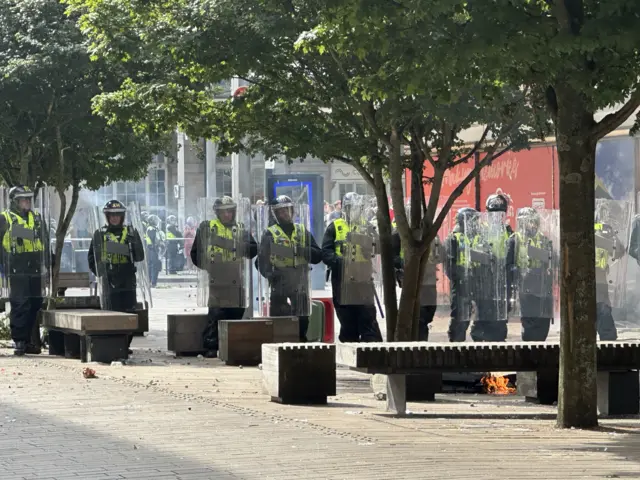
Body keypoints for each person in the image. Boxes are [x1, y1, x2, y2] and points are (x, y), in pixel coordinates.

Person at [190, 196, 257, 358]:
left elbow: (253, 249)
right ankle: (211, 346)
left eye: (230, 211)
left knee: (236, 312)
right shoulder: (208, 227)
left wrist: (238, 246)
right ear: (217, 213)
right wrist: (209, 267)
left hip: (236, 276)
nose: (228, 215)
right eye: (224, 212)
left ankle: (232, 345)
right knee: (216, 313)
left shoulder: (240, 228)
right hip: (217, 277)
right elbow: (196, 252)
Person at [256, 195, 322, 341]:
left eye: (287, 209)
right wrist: (270, 274)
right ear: (275, 214)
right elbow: (260, 260)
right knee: (279, 315)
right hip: (279, 280)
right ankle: (280, 341)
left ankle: (301, 340)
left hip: (299, 279)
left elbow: (318, 256)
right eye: (281, 211)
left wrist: (303, 250)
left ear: (292, 211)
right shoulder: (270, 233)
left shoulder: (302, 230)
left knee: (302, 316)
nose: (285, 213)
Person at [322, 192, 383, 342]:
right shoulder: (334, 227)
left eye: (358, 208)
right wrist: (340, 262)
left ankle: (371, 354)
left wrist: (361, 240)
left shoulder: (367, 227)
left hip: (363, 280)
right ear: (345, 209)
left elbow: (378, 247)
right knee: (348, 321)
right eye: (352, 208)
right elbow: (326, 252)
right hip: (342, 281)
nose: (355, 211)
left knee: (367, 318)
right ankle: (350, 350)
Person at [87, 200, 145, 353]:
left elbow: (140, 257)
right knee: (111, 314)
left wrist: (133, 245)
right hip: (109, 279)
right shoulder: (100, 234)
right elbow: (92, 258)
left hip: (127, 278)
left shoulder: (131, 233)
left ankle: (125, 344)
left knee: (129, 314)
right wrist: (101, 274)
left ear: (122, 216)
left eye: (117, 215)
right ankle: (115, 345)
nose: (114, 218)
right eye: (111, 215)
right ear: (107, 216)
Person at [0, 186, 50, 356]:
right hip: (16, 266)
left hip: (35, 266)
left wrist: (48, 263)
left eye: (29, 199)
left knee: (35, 304)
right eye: (23, 199)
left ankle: (29, 340)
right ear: (15, 201)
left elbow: (45, 241)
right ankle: (19, 341)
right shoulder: (5, 218)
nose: (27, 202)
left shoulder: (37, 218)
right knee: (20, 304)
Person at [392, 203, 444, 341]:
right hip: (411, 279)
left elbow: (441, 252)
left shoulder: (430, 234)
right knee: (418, 316)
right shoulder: (400, 234)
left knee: (429, 312)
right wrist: (402, 266)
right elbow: (393, 255)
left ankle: (420, 340)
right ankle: (418, 343)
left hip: (429, 279)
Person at [506, 208, 555, 341]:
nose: (530, 225)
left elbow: (553, 262)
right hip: (525, 288)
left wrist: (550, 271)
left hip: (542, 288)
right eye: (527, 222)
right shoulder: (514, 240)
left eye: (532, 222)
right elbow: (507, 265)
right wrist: (518, 273)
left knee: (543, 325)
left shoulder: (544, 240)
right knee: (529, 325)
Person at [444, 207, 479, 342]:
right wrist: (460, 278)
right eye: (473, 221)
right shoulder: (453, 238)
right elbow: (449, 265)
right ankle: (456, 346)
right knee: (459, 317)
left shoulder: (476, 236)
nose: (475, 224)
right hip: (460, 285)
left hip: (475, 282)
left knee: (472, 315)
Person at [594, 208, 626, 340]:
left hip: (601, 280)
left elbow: (619, 252)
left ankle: (607, 336)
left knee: (603, 308)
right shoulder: (590, 234)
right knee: (598, 309)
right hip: (587, 279)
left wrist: (613, 235)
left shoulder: (605, 235)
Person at [145, 215, 162, 287]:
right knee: (154, 266)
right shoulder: (151, 229)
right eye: (155, 220)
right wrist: (159, 245)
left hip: (152, 249)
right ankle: (153, 282)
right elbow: (154, 239)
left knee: (152, 266)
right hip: (152, 249)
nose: (156, 221)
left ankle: (151, 282)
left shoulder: (153, 228)